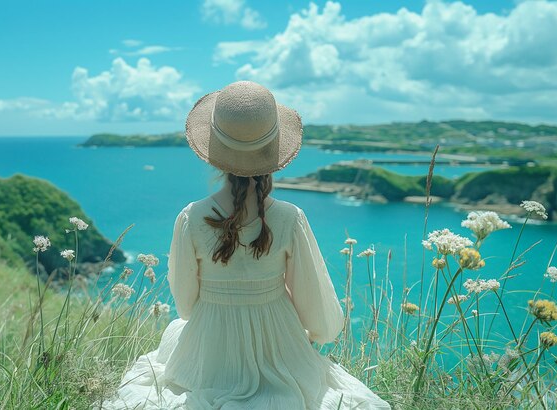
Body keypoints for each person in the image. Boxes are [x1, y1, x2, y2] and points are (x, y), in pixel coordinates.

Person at [98, 81, 391, 409]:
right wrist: (310, 335)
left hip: (210, 347)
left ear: (216, 155)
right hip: (278, 342)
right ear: (272, 154)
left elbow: (185, 305)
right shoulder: (290, 217)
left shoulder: (190, 217)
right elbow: (314, 303)